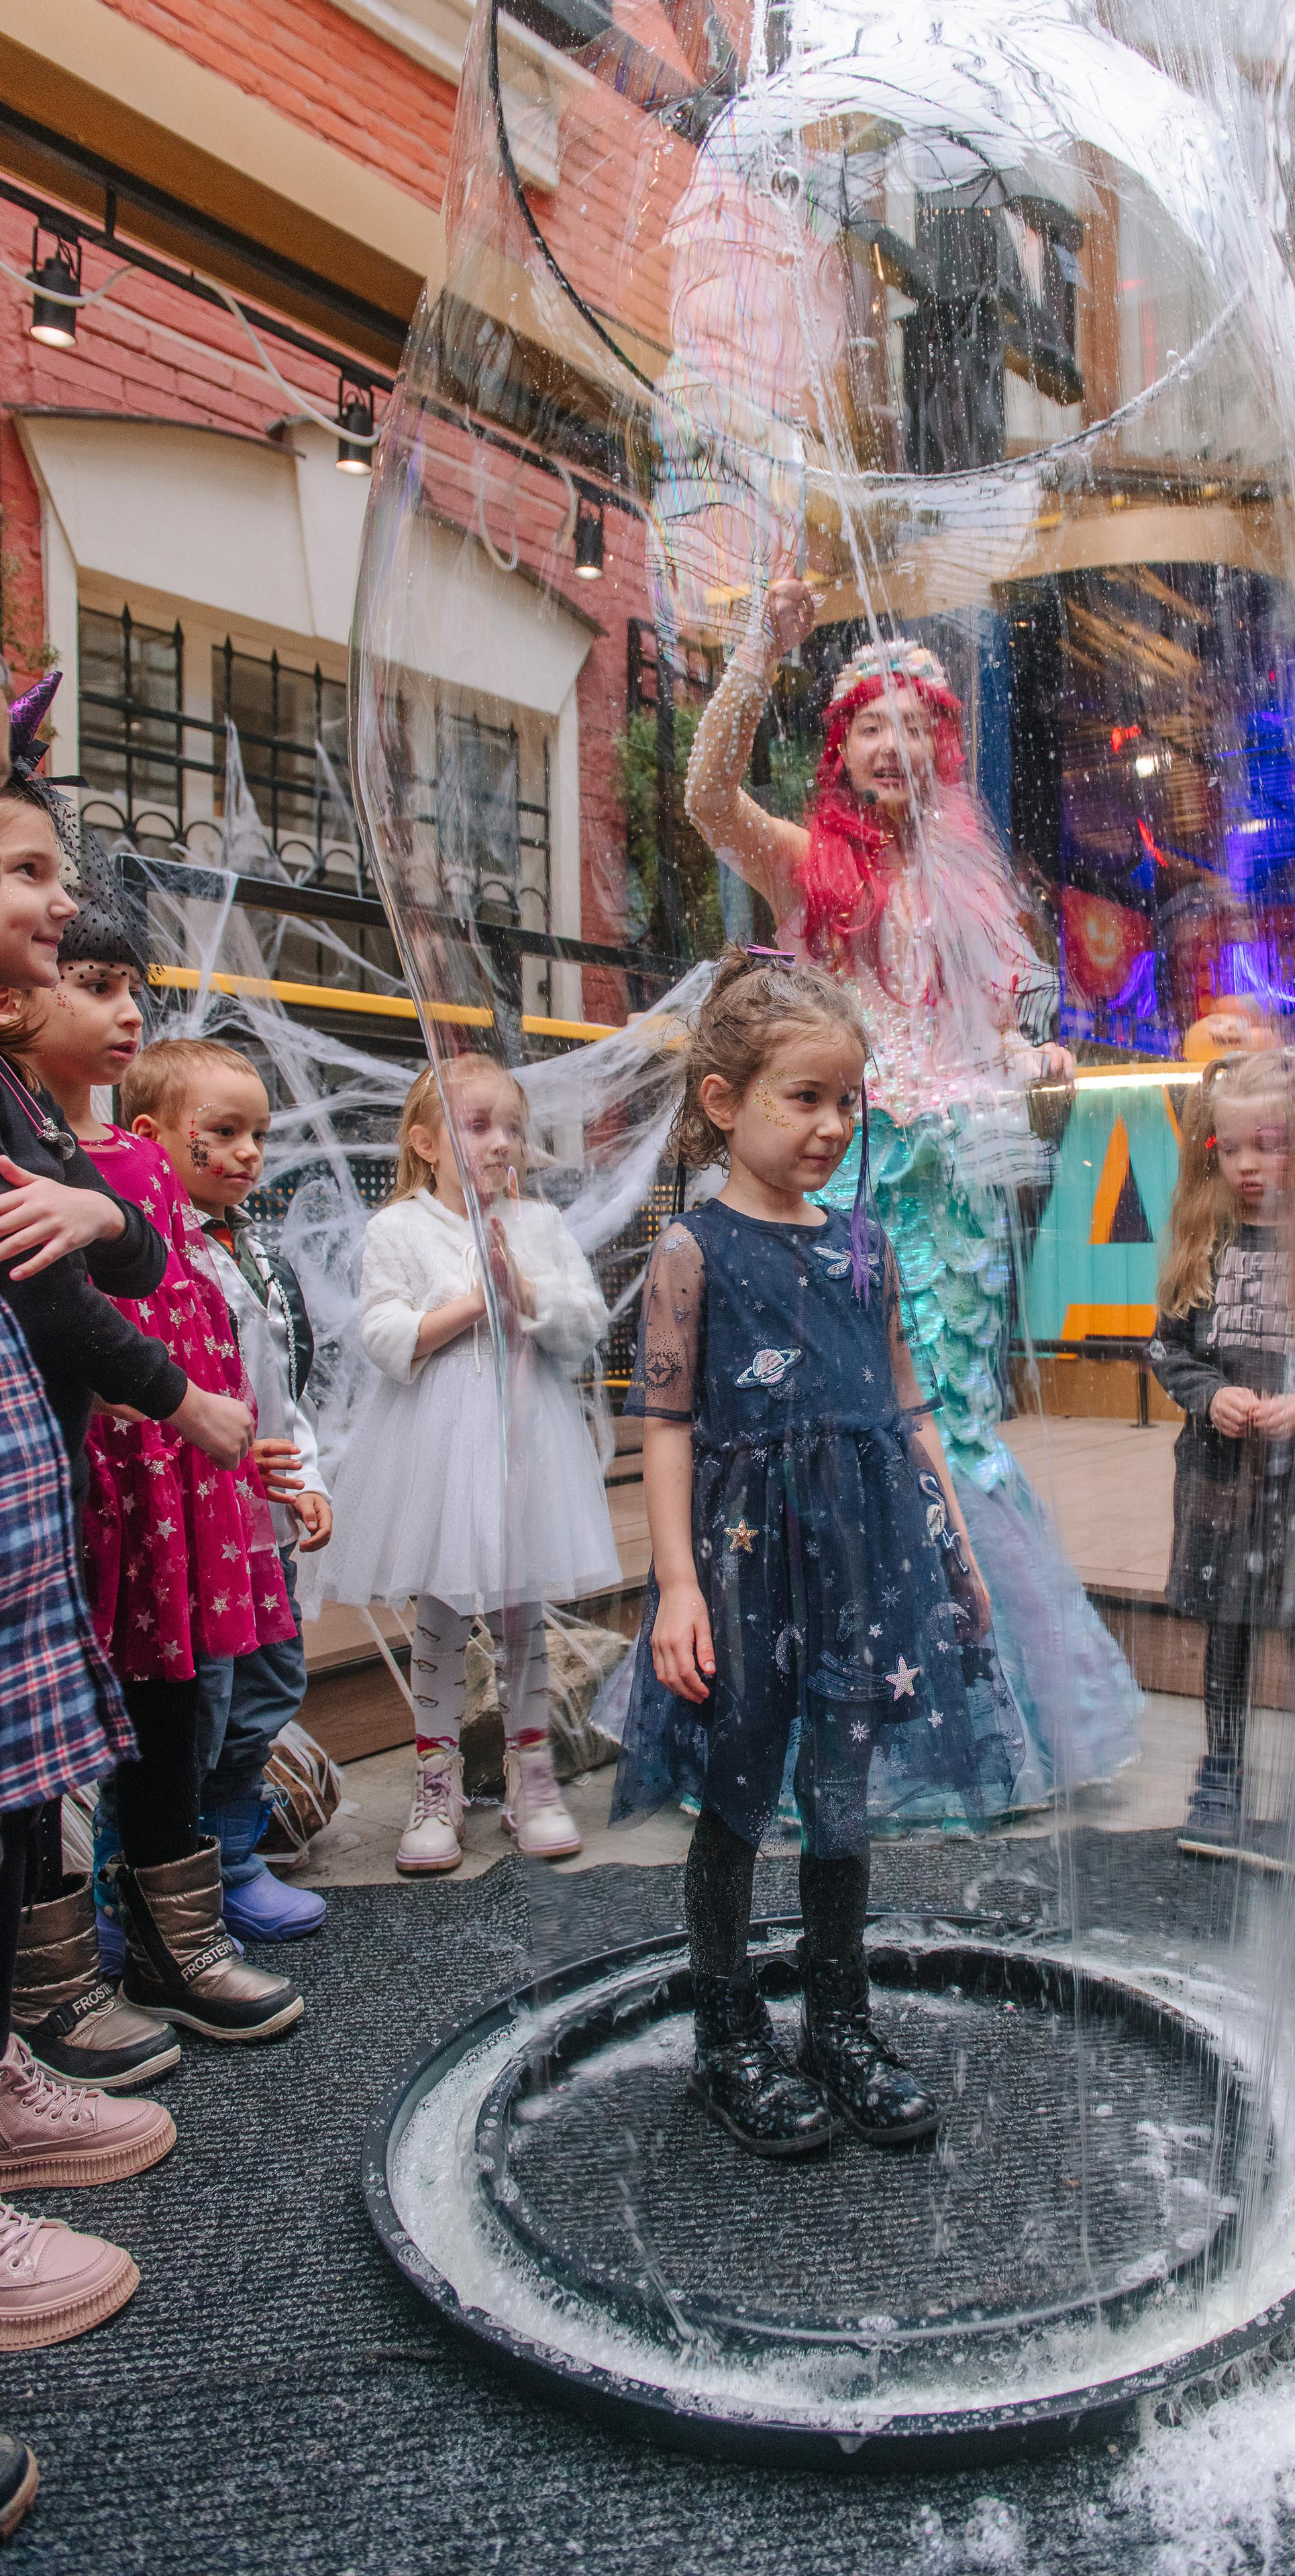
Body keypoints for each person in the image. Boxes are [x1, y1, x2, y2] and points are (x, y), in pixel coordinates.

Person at [682, 580, 1139, 1815]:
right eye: (869, 725)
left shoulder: (971, 873)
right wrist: (763, 649)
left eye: (915, 724)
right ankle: (842, 1725)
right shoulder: (803, 860)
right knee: (845, 1427)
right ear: (840, 747)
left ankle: (987, 1718)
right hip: (847, 1171)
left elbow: (981, 1028)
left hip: (951, 1198)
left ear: (942, 742)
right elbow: (704, 798)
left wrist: (1030, 1063)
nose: (895, 746)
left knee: (953, 1422)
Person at [612, 948, 1016, 2155]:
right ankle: (728, 2034)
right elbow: (668, 1424)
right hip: (743, 1566)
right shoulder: (692, 1252)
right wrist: (678, 1582)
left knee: (841, 1793)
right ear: (725, 1102)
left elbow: (907, 1405)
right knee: (737, 1791)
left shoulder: (867, 1246)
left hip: (865, 1561)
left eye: (849, 1100)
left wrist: (957, 1544)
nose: (834, 1125)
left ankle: (839, 2020)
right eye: (806, 1097)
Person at [0, 676, 264, 2093]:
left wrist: (110, 1218)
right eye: (89, 978)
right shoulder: (25, 1113)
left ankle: (156, 1946)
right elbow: (63, 1285)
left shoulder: (71, 1135)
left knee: (158, 1712)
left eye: (126, 987)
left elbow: (138, 1246)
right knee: (48, 1755)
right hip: (84, 1471)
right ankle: (57, 1991)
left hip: (94, 1473)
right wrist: (178, 1403)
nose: (110, 1003)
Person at [309, 1051, 619, 1873]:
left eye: (513, 1127)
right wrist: (475, 1306)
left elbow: (585, 1323)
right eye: (478, 1126)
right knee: (442, 1614)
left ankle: (533, 1776)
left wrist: (533, 1301)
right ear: (427, 1143)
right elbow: (382, 1333)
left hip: (525, 1439)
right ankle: (436, 1782)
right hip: (435, 1449)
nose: (501, 1143)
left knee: (522, 1610)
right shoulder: (398, 1229)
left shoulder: (539, 1227)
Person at [124, 1036, 331, 1943]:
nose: (248, 1153)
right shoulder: (151, 1262)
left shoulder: (258, 1258)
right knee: (193, 1706)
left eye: (259, 1134)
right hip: (190, 1531)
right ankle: (146, 1881)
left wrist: (305, 1476)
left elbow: (284, 1386)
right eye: (224, 1132)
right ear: (151, 1138)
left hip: (258, 1531)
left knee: (264, 1690)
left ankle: (235, 1860)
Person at [1147, 1049, 1295, 1868]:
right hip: (1220, 1483)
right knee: (1227, 1630)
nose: (1247, 1165)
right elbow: (1168, 1349)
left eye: (1268, 1144)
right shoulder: (1204, 1241)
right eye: (1229, 1148)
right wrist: (1208, 1394)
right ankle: (1224, 1772)